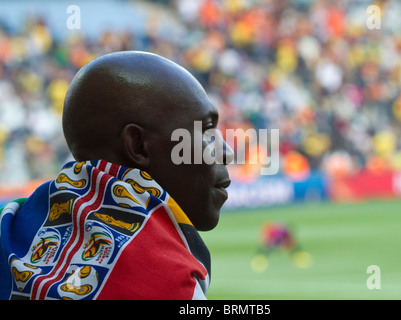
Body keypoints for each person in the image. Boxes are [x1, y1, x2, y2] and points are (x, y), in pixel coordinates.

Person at [0, 51, 233, 300]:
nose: (226, 152)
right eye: (206, 130)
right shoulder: (170, 286)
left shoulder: (9, 227)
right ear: (139, 146)